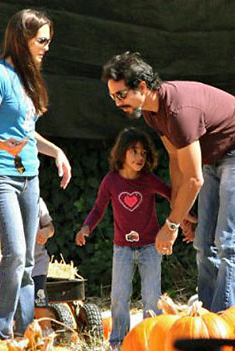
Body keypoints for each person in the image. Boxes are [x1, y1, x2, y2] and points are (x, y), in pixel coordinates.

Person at [101, 51, 235, 313]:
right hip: (214, 157)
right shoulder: (152, 112)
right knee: (203, 243)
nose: (117, 103)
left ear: (143, 86)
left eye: (121, 94)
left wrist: (170, 226)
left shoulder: (178, 111)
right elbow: (175, 160)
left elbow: (194, 179)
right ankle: (205, 316)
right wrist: (180, 212)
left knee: (228, 241)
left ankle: (228, 320)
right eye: (113, 96)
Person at [0, 9, 71, 338]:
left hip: (30, 177)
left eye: (48, 41)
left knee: (28, 259)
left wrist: (55, 151)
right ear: (22, 39)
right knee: (15, 252)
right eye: (42, 40)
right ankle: (0, 333)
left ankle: (24, 332)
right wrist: (5, 145)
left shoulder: (29, 80)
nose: (46, 47)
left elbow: (28, 134)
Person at [75, 127, 171, 349]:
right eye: (134, 151)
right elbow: (98, 208)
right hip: (122, 249)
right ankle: (118, 342)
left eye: (143, 153)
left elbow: (171, 195)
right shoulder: (111, 181)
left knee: (151, 297)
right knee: (119, 297)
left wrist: (184, 220)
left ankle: (152, 340)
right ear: (122, 154)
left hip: (150, 247)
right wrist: (86, 227)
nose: (139, 157)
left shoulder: (148, 180)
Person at [0, 197, 55, 308]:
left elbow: (50, 227)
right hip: (12, 267)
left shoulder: (37, 201)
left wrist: (46, 232)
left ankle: (45, 325)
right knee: (12, 306)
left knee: (40, 303)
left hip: (37, 264)